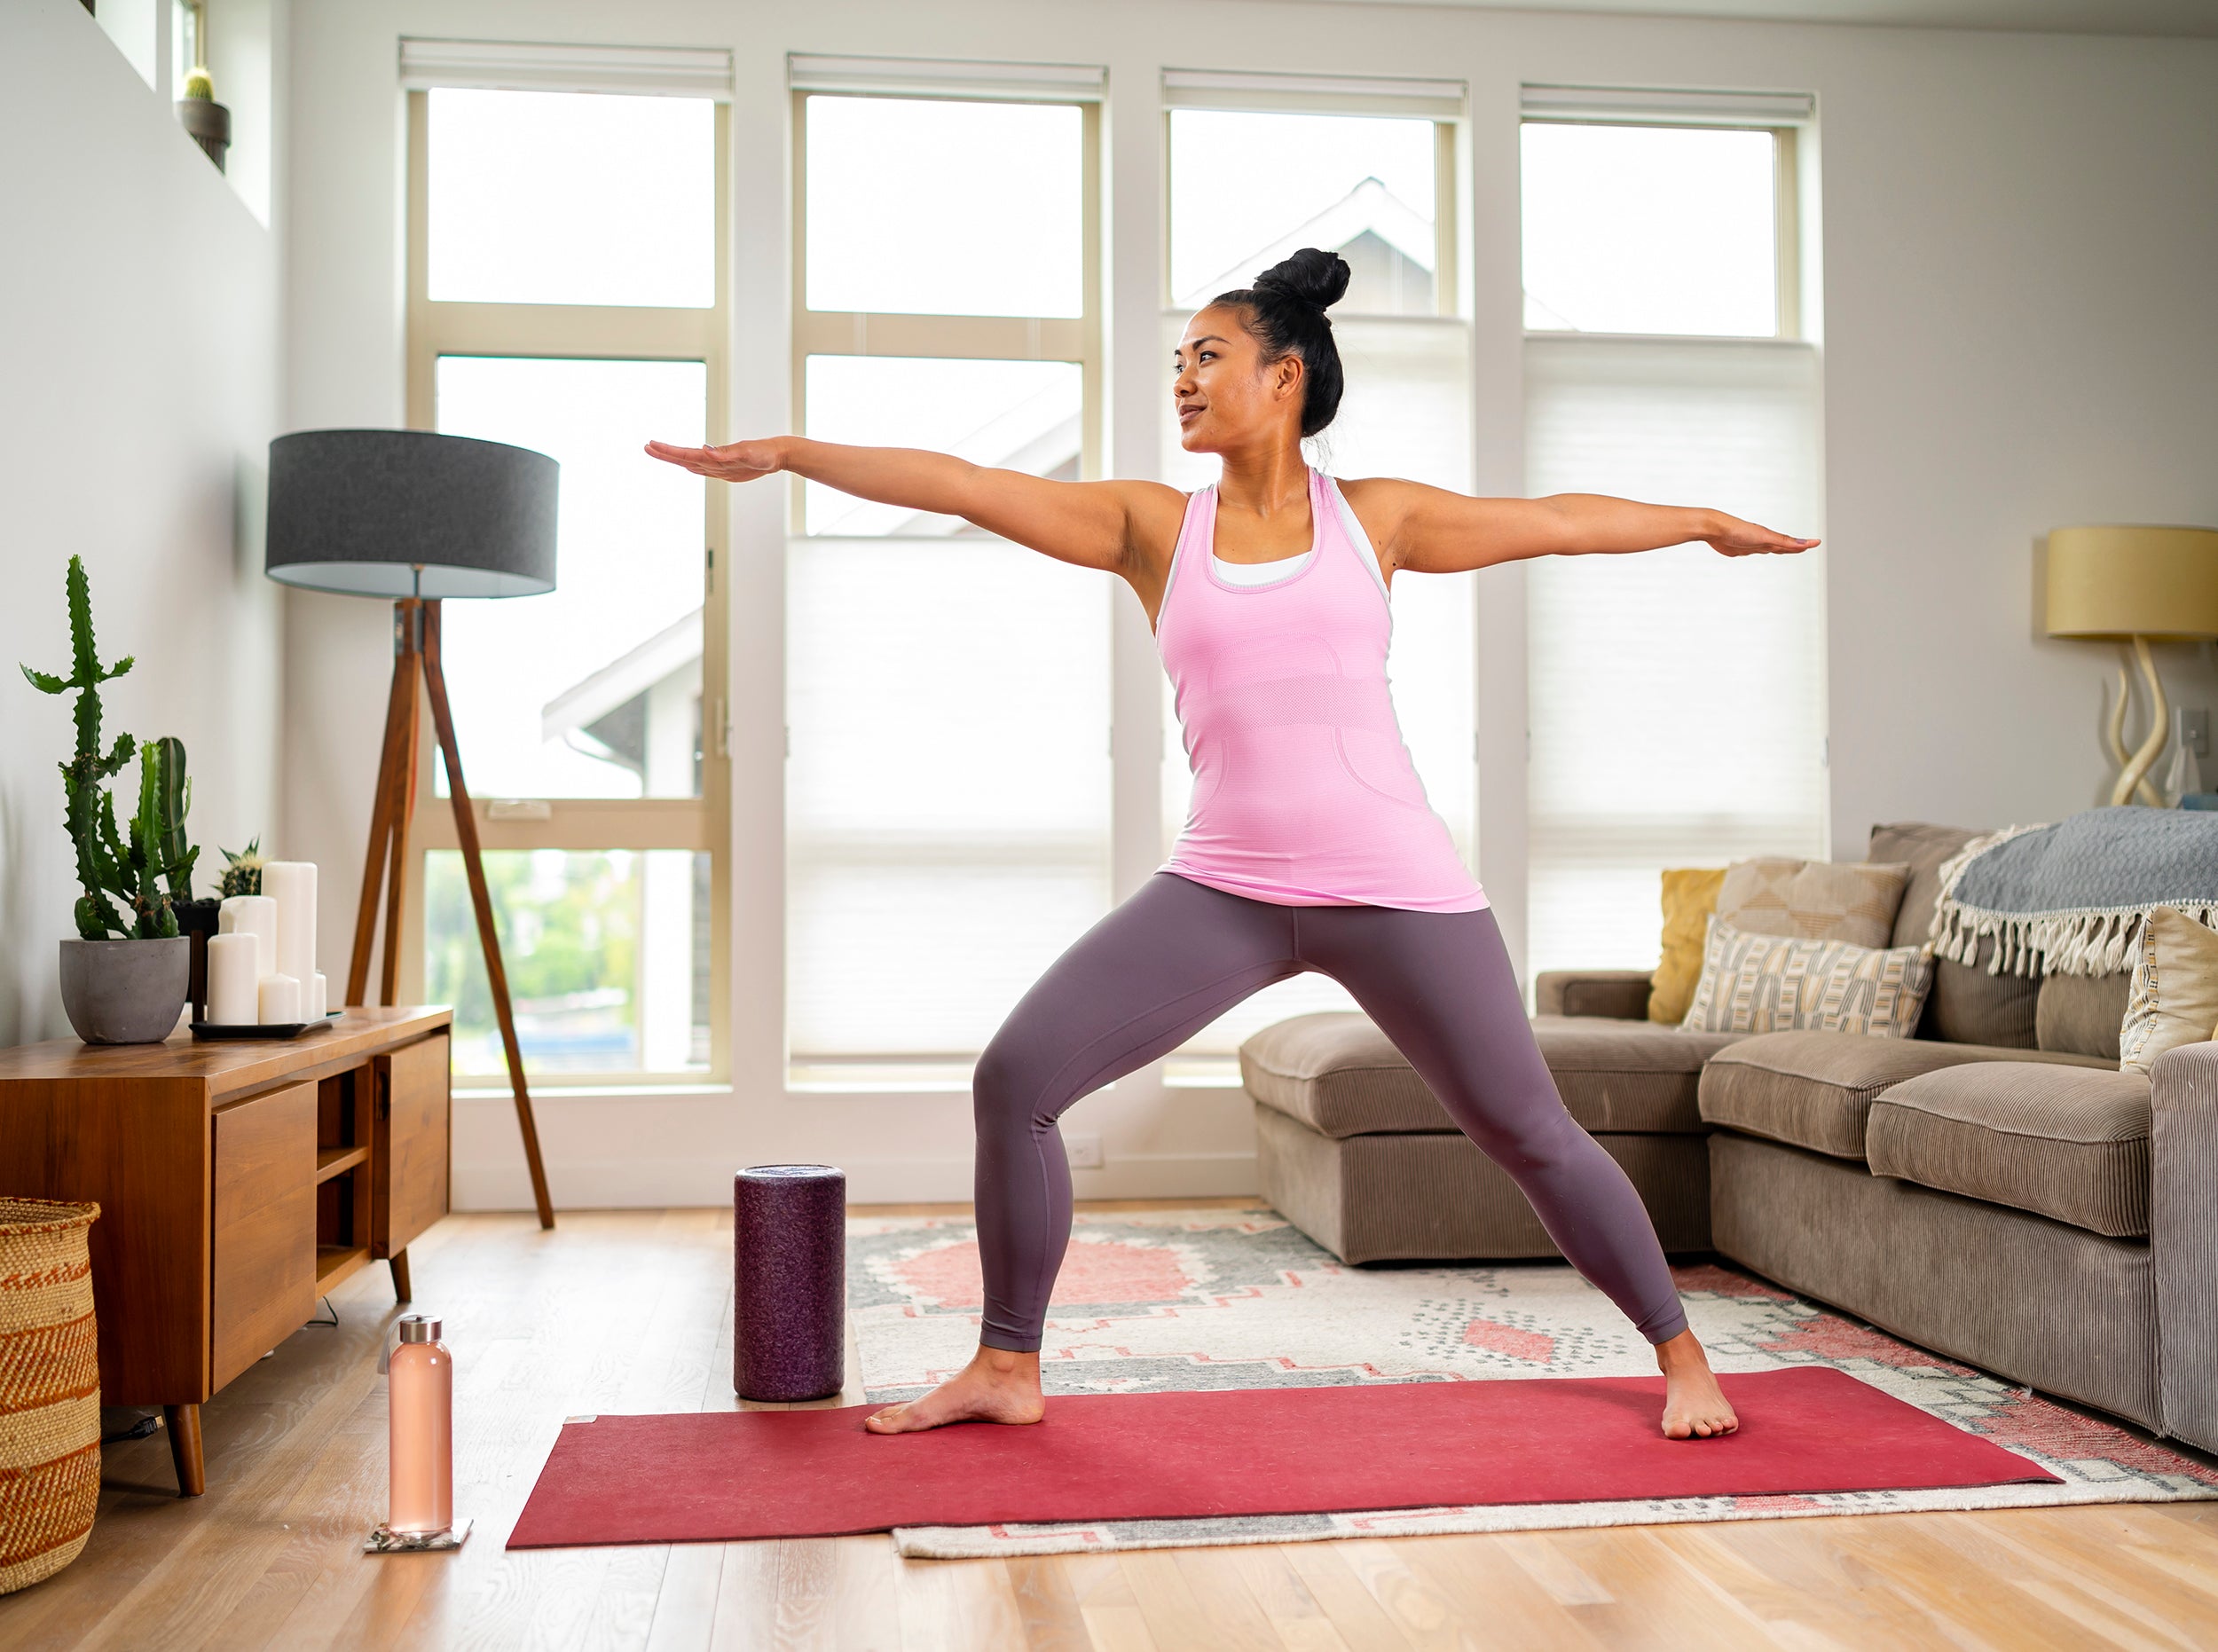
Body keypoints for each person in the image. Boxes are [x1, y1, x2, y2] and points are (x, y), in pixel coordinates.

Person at [647, 247, 1817, 1442]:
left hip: (1398, 888)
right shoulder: (1152, 528)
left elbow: (1558, 522)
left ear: (1285, 377)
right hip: (1226, 888)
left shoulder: (1377, 518)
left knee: (1529, 1131)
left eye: (1207, 357)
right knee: (1016, 1081)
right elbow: (962, 484)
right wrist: (792, 453)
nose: (1184, 380)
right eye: (1178, 361)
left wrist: (1699, 523)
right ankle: (1006, 1363)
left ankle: (1682, 1357)